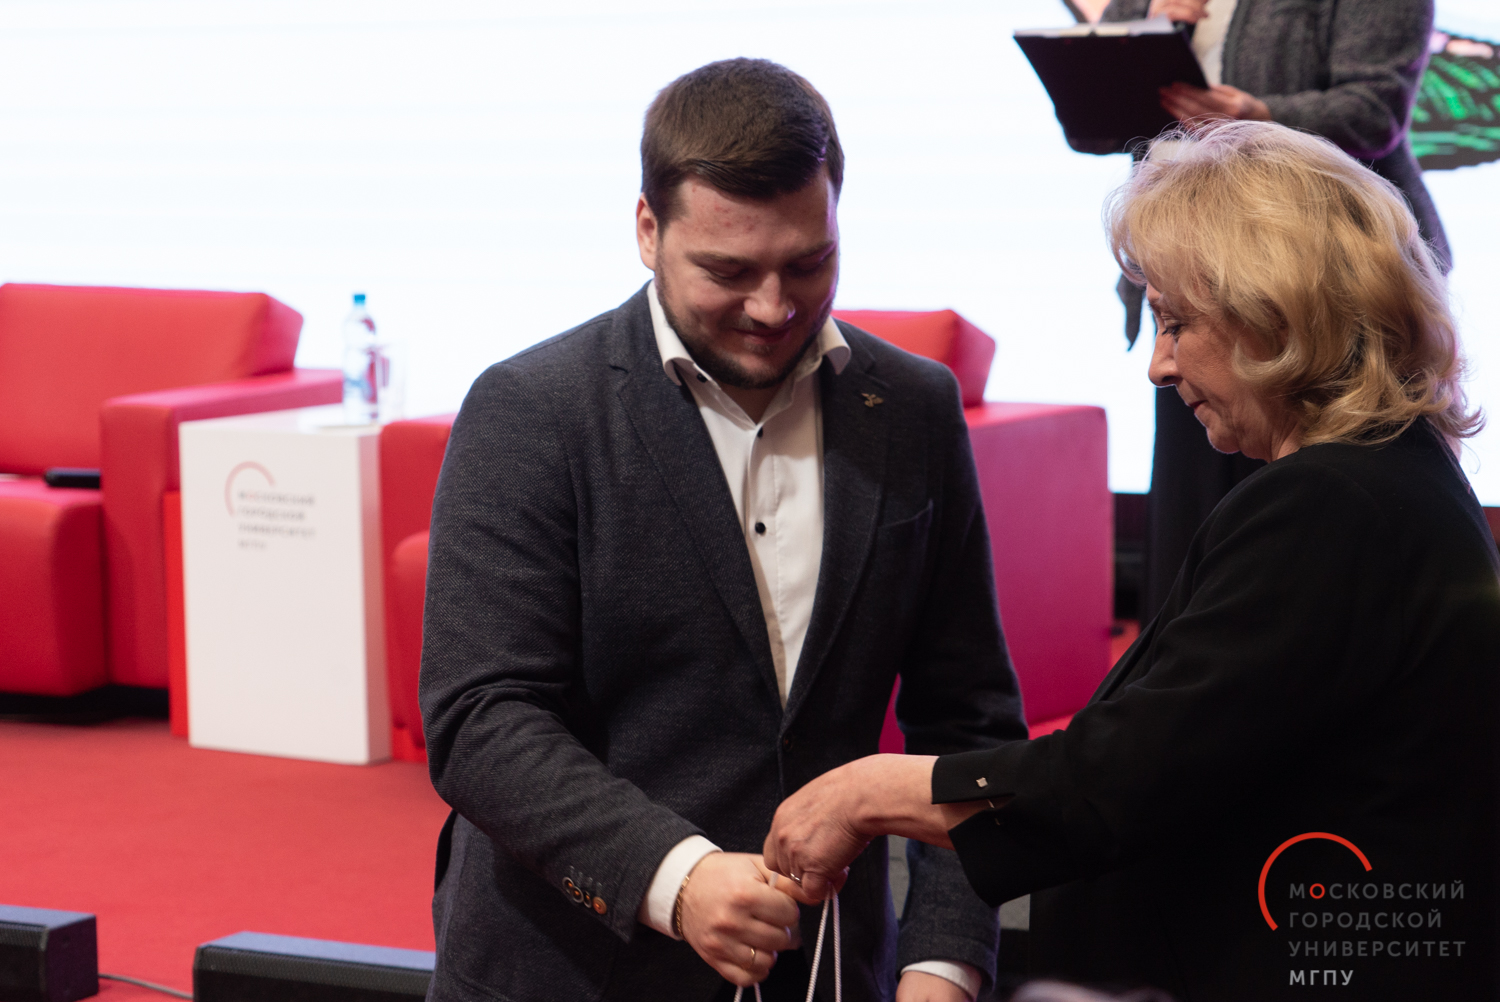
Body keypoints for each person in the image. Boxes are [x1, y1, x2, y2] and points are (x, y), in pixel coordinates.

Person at [763, 120, 1500, 1001]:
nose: (1158, 364)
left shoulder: (1331, 503)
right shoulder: (1396, 480)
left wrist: (867, 792)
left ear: (1280, 314)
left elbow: (1121, 778)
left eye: (1176, 323)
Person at [418, 58, 1026, 1002]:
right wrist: (678, 877)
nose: (774, 308)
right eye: (728, 271)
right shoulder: (532, 410)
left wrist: (943, 963)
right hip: (572, 970)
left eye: (809, 263)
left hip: (829, 971)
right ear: (647, 230)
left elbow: (967, 724)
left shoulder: (912, 407)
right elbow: (481, 720)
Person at [1101, 0, 1452, 623]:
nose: (1160, 367)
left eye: (1170, 329)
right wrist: (1150, 22)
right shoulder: (1182, 328)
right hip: (1194, 269)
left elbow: (1374, 110)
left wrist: (1257, 120)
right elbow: (1097, 103)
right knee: (1195, 528)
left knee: (1318, 537)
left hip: (1319, 279)